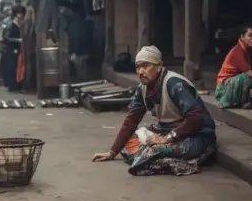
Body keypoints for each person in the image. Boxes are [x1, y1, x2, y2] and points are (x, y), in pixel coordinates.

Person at [92, 46, 217, 176]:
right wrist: (112, 152)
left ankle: (168, 161)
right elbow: (131, 120)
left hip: (196, 136)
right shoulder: (143, 88)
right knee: (128, 144)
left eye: (145, 66)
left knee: (156, 150)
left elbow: (195, 118)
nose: (140, 71)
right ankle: (159, 160)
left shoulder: (174, 84)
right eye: (138, 67)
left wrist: (168, 138)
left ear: (159, 66)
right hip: (166, 130)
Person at [214, 25, 252, 108]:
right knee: (247, 77)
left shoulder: (247, 50)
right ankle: (234, 102)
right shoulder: (238, 50)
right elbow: (249, 72)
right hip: (223, 88)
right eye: (250, 35)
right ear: (242, 37)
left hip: (232, 83)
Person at [0, 5, 25, 92]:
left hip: (17, 50)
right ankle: (12, 87)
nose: (21, 15)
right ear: (16, 14)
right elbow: (5, 38)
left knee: (16, 68)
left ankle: (16, 86)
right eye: (19, 13)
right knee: (11, 68)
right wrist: (18, 40)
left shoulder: (20, 24)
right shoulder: (11, 24)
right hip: (10, 50)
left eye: (22, 13)